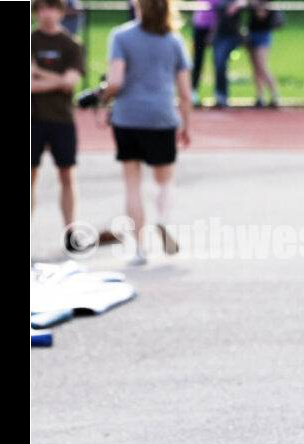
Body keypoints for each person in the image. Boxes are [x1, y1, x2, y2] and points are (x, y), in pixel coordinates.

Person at [102, 0, 192, 265]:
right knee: (164, 181)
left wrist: (103, 94)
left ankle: (140, 249)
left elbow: (116, 81)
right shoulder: (174, 40)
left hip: (128, 116)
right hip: (162, 116)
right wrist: (186, 123)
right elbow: (185, 92)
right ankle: (162, 220)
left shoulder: (121, 36)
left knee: (132, 184)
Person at [31, 0, 85, 252]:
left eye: (50, 8)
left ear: (60, 11)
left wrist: (40, 73)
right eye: (40, 8)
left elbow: (70, 82)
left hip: (61, 118)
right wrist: (58, 80)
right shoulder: (32, 41)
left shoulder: (71, 45)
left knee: (66, 175)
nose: (46, 14)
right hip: (33, 118)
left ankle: (70, 231)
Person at [246, 0, 280, 108]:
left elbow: (261, 14)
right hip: (252, 32)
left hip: (263, 33)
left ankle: (275, 94)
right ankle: (260, 96)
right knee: (255, 67)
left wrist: (257, 6)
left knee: (262, 66)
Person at [213, 0, 246, 107]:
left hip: (231, 35)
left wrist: (238, 4)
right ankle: (219, 95)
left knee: (221, 63)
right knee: (218, 64)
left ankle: (222, 95)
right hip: (219, 35)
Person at [191, 0, 217, 106]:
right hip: (199, 28)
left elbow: (218, 13)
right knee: (197, 61)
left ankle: (218, 93)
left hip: (213, 29)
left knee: (218, 61)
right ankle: (193, 91)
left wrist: (213, 31)